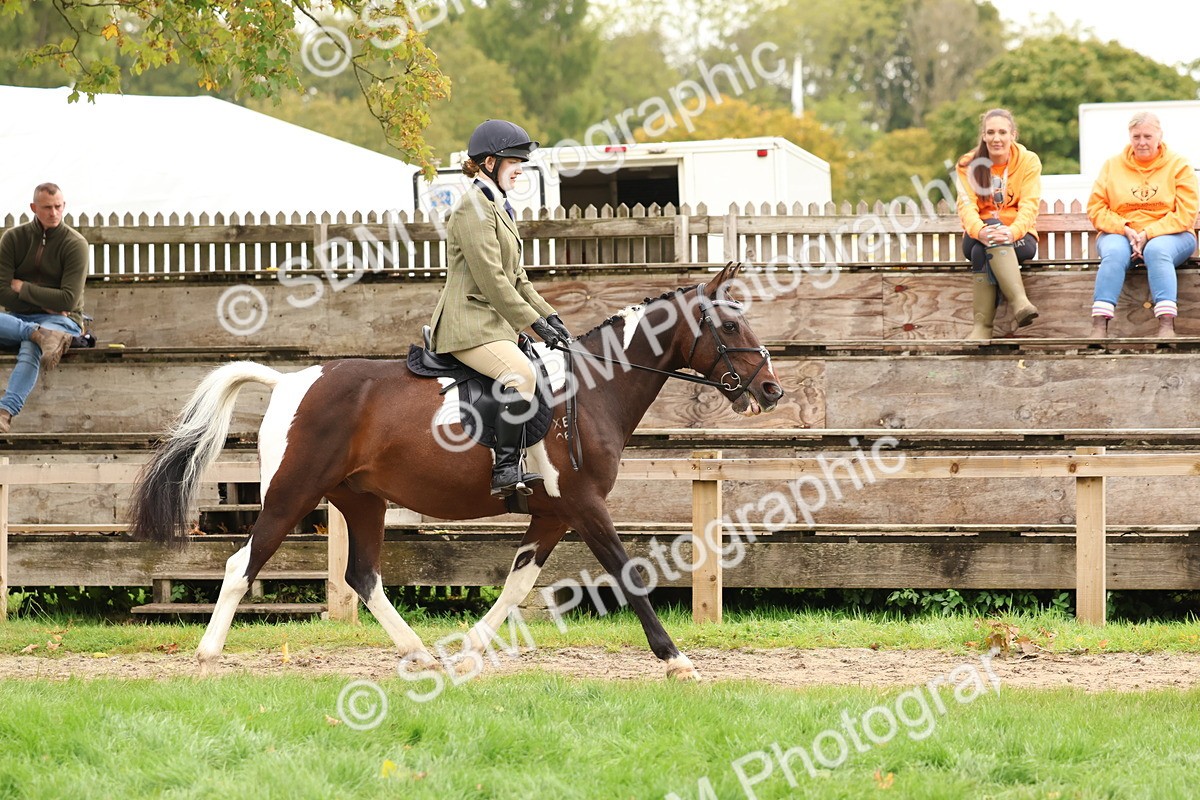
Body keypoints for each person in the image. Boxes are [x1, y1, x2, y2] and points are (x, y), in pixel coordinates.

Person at [428, 120, 573, 497]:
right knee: (522, 375)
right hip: (468, 324)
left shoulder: (498, 207)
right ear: (490, 162)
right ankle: (505, 468)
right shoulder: (471, 209)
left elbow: (519, 277)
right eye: (514, 162)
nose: (521, 169)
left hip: (493, 324)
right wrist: (532, 325)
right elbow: (493, 280)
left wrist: (550, 317)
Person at [1087, 112, 1198, 338]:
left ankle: (1166, 327)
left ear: (1160, 136)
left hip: (1172, 234)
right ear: (1129, 136)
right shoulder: (1112, 165)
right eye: (1136, 136)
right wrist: (1125, 228)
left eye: (1148, 136)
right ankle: (1099, 327)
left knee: (1157, 250)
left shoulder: (1179, 165)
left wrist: (1149, 233)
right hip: (1122, 233)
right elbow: (1096, 208)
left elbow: (1186, 213)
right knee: (1114, 252)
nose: (1142, 142)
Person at [0, 183, 87, 434]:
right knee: (36, 336)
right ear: (33, 208)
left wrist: (23, 288)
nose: (53, 213)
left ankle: (5, 412)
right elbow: (2, 292)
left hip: (63, 322)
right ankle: (31, 330)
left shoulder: (75, 244)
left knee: (33, 345)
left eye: (58, 206)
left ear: (64, 206)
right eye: (47, 207)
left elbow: (68, 300)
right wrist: (47, 302)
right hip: (19, 317)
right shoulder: (13, 239)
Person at [955, 108, 1043, 339]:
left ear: (1013, 134)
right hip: (978, 234)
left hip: (1019, 238)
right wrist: (981, 231)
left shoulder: (1028, 161)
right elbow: (966, 206)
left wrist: (1012, 232)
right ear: (983, 136)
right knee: (979, 243)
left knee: (979, 254)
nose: (996, 138)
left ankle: (982, 328)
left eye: (1002, 132)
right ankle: (1020, 303)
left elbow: (1030, 205)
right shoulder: (968, 163)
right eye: (990, 132)